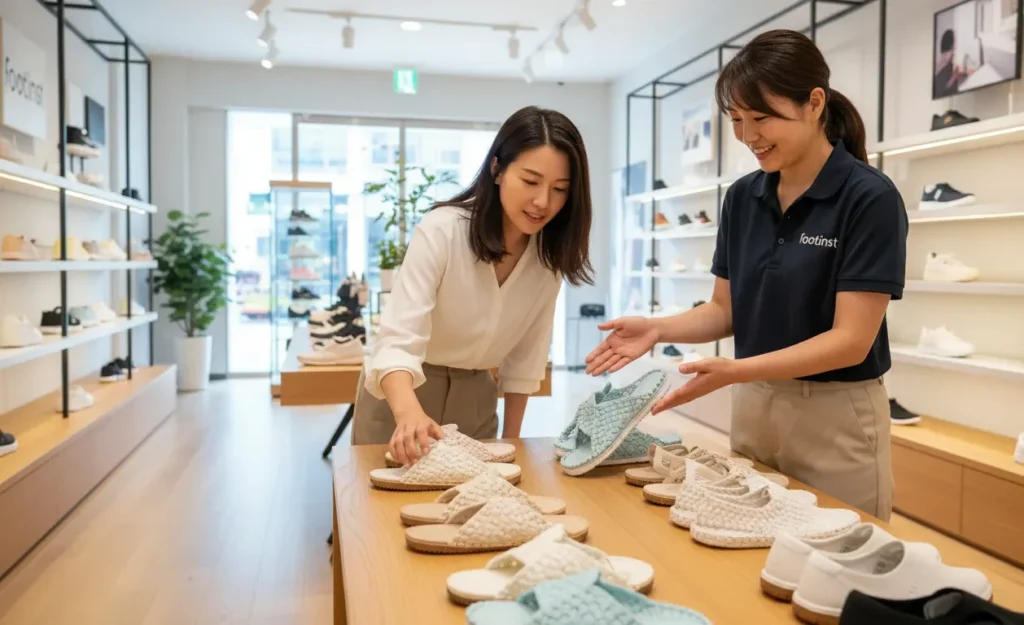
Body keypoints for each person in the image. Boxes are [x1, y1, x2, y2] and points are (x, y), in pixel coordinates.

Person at [586, 29, 907, 521]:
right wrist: (658, 329)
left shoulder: (869, 198)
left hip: (836, 415)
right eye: (736, 119)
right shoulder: (742, 198)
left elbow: (851, 341)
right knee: (746, 546)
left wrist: (736, 370)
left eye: (761, 118)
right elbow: (724, 311)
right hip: (754, 406)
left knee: (837, 554)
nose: (747, 135)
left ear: (814, 103)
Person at [354, 106, 594, 466]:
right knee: (381, 500)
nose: (543, 202)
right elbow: (397, 339)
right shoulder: (443, 230)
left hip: (477, 401)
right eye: (530, 182)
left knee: (476, 500)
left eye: (560, 189)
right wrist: (408, 415)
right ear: (497, 169)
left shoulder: (548, 260)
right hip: (402, 396)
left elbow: (525, 362)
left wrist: (513, 441)